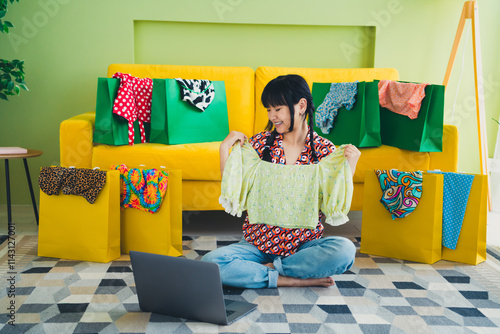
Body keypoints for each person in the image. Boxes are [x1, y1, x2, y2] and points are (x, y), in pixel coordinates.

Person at [202, 74, 361, 288]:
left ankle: (270, 272)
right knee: (210, 263)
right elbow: (234, 185)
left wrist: (350, 164)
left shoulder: (324, 151)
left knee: (345, 250)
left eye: (278, 109)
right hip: (256, 247)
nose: (273, 116)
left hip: (303, 248)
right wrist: (224, 149)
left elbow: (333, 196)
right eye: (269, 110)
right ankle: (290, 279)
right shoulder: (261, 145)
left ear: (301, 105)